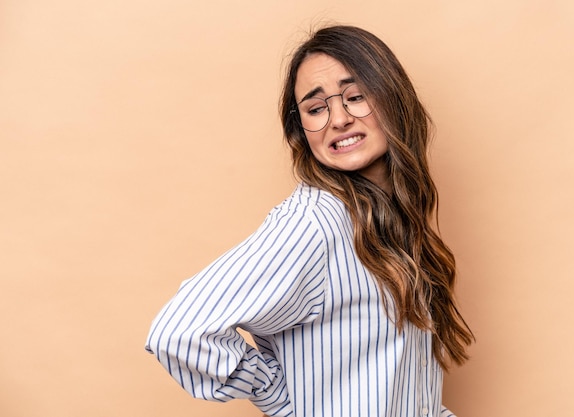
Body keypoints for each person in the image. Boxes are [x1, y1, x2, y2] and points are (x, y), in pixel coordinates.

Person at [145, 25, 474, 417]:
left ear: (394, 100)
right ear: (302, 129)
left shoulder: (391, 223)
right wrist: (281, 401)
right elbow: (178, 330)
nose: (338, 119)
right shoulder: (313, 224)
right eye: (316, 109)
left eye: (355, 97)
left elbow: (403, 389)